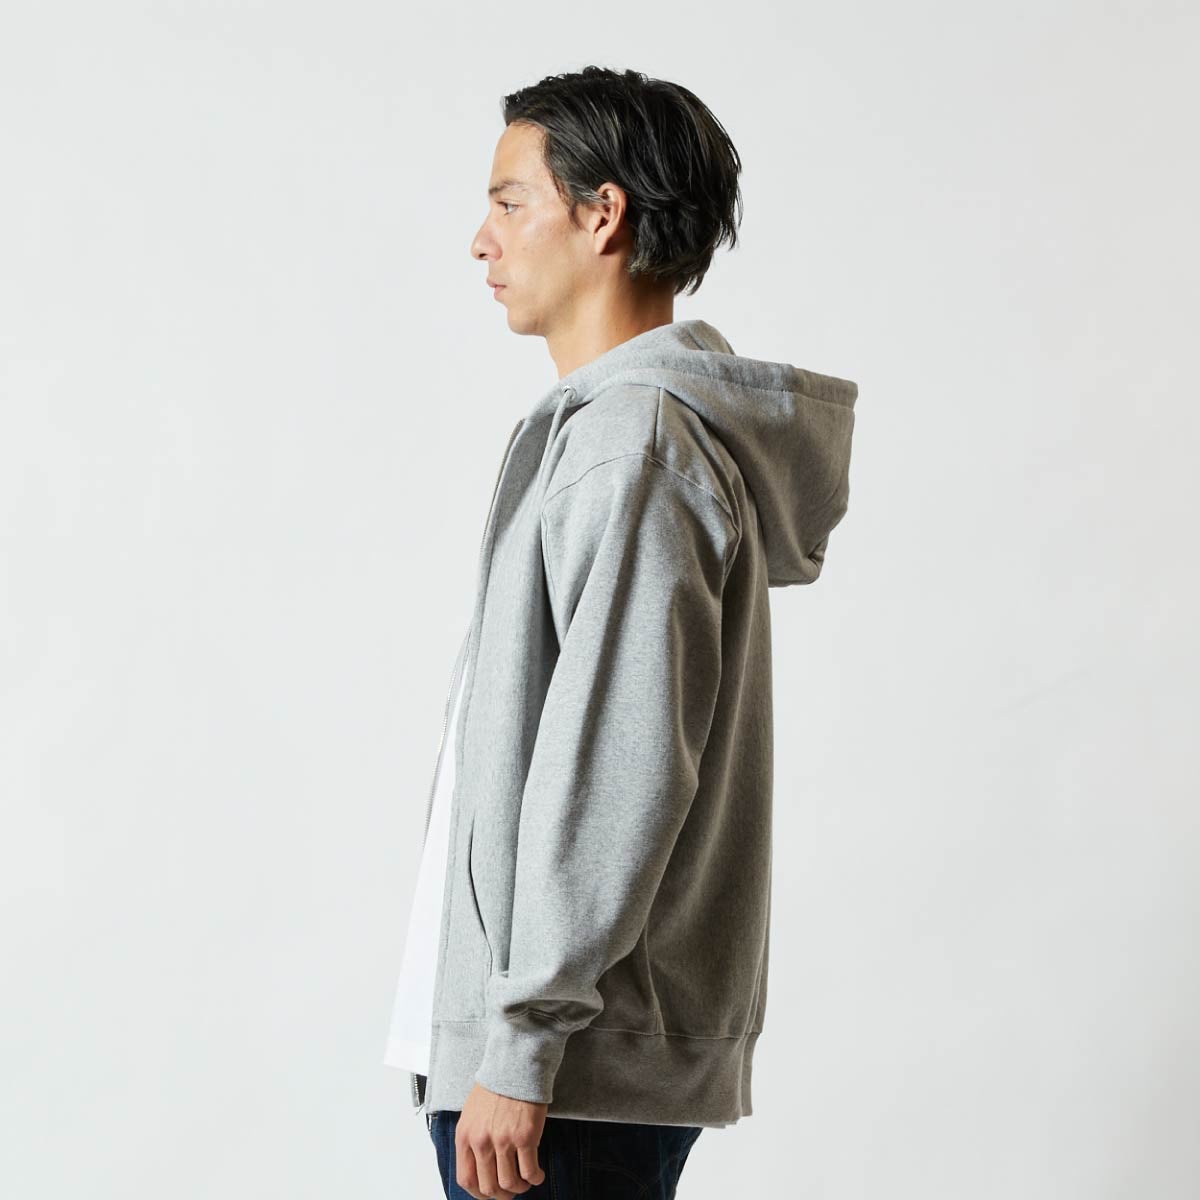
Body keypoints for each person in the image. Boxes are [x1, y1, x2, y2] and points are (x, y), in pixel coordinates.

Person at [383, 65, 858, 1199]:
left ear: (604, 215)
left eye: (510, 202)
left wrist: (525, 1039)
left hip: (566, 1077)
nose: (482, 241)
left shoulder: (631, 445)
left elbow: (618, 766)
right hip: (557, 1064)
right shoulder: (609, 434)